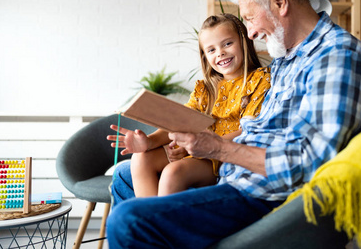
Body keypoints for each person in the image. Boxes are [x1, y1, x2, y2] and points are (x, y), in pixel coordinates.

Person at [106, 0, 361, 249]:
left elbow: (308, 163)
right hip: (239, 178)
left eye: (249, 18)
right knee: (125, 176)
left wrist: (219, 148)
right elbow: (260, 127)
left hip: (264, 196)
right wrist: (201, 141)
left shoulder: (337, 56)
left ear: (279, 2)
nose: (249, 32)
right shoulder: (289, 58)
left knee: (129, 220)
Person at [108, 13, 270, 197]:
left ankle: (160, 221)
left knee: (172, 173)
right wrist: (149, 141)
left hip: (225, 156)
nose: (220, 53)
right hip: (197, 152)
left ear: (244, 42)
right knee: (140, 159)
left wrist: (200, 146)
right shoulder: (206, 89)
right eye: (211, 50)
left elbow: (250, 128)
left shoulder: (259, 80)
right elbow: (180, 122)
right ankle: (151, 222)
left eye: (227, 44)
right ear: (205, 56)